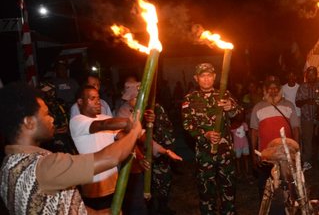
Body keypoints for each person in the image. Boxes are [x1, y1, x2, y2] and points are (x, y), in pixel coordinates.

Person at [0, 82, 142, 214]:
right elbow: (110, 158)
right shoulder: (43, 166)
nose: (52, 118)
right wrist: (135, 130)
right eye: (46, 114)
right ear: (29, 122)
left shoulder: (7, 167)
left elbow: (66, 204)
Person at [182, 63, 243, 215]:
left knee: (228, 190)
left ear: (215, 77)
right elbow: (187, 124)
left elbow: (240, 115)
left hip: (225, 153)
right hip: (204, 154)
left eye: (209, 75)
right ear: (196, 78)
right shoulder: (190, 99)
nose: (206, 79)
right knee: (206, 191)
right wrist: (205, 135)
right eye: (203, 76)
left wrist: (232, 108)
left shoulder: (224, 94)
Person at [115, 82, 181, 215]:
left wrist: (165, 150)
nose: (129, 101)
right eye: (129, 99)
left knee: (153, 190)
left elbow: (147, 137)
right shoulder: (123, 112)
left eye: (133, 98)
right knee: (135, 198)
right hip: (132, 162)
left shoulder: (152, 109)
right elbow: (127, 138)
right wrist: (140, 156)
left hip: (149, 159)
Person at [69, 85, 134, 212]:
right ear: (80, 102)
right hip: (94, 188)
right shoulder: (77, 121)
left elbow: (122, 137)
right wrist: (130, 122)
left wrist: (140, 125)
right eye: (92, 98)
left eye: (98, 98)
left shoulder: (105, 118)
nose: (98, 101)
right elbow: (102, 125)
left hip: (115, 183)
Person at [250, 78, 301, 195]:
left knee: (287, 185)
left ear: (280, 90)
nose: (273, 91)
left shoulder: (289, 105)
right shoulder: (258, 107)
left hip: (286, 153)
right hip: (266, 156)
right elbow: (253, 132)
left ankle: (287, 210)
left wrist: (297, 151)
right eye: (270, 88)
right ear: (265, 91)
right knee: (265, 187)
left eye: (276, 88)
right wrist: (254, 154)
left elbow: (296, 129)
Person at [295, 66, 319, 170]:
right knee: (307, 140)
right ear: (306, 75)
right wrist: (307, 101)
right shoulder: (302, 87)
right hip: (306, 118)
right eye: (309, 74)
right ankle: (307, 161)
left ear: (316, 75)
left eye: (313, 74)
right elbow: (297, 103)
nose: (311, 76)